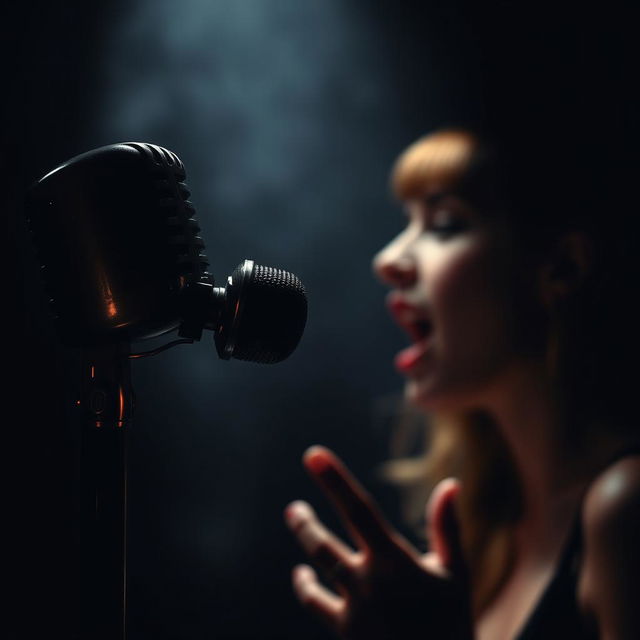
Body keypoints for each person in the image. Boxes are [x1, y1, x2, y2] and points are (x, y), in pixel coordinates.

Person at [283, 127, 640, 639]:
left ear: (561, 267)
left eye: (445, 224)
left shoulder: (624, 510)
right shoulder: (490, 535)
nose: (387, 261)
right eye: (409, 222)